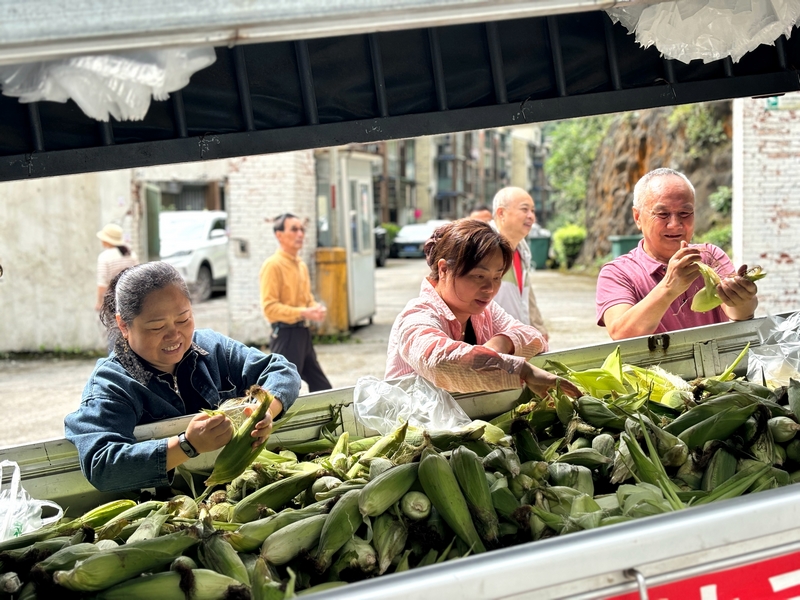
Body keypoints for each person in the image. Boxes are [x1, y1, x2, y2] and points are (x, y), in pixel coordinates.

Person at [65, 262, 301, 493]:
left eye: (183, 319)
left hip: (231, 492)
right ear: (123, 325)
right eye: (157, 327)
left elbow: (282, 370)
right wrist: (187, 445)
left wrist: (265, 410)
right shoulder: (111, 385)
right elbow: (102, 465)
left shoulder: (213, 348)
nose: (174, 335)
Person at [385, 219, 580, 397]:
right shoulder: (416, 315)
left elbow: (534, 338)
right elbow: (439, 361)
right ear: (444, 269)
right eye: (479, 276)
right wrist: (523, 371)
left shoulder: (486, 312)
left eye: (497, 277)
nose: (490, 289)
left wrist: (500, 344)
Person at [596, 168, 758, 340]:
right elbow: (621, 334)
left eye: (684, 213)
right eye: (662, 214)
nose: (675, 224)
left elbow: (739, 314)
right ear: (637, 217)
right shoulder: (617, 273)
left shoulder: (710, 256)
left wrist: (743, 297)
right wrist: (669, 287)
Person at [260, 213, 332, 392]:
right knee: (284, 392)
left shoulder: (301, 265)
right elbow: (270, 309)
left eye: (302, 229)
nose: (300, 234)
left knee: (322, 387)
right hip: (285, 335)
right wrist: (303, 312)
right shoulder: (273, 265)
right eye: (294, 229)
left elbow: (307, 299)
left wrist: (315, 308)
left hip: (303, 334)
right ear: (279, 235)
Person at [491, 187, 549, 341]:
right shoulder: (484, 248)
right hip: (492, 344)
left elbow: (526, 295)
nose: (531, 216)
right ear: (501, 213)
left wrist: (538, 327)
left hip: (517, 343)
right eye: (525, 209)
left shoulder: (521, 249)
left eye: (533, 211)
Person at [95, 223, 138, 311]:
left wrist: (99, 303)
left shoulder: (104, 257)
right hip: (131, 299)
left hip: (113, 301)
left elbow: (102, 283)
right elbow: (138, 275)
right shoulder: (131, 254)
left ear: (107, 240)